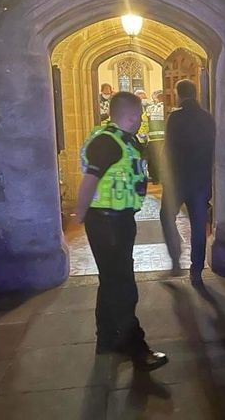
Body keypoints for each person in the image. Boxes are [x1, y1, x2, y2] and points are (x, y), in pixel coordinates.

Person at [75, 91, 169, 371]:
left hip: (116, 219)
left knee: (111, 281)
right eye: (138, 115)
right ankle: (136, 347)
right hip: (108, 221)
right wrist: (80, 213)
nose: (140, 120)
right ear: (128, 115)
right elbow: (90, 180)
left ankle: (107, 339)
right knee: (123, 286)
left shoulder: (121, 140)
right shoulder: (108, 142)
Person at [160, 79, 215, 286]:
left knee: (166, 217)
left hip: (177, 180)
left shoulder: (175, 118)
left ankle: (176, 258)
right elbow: (212, 150)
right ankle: (196, 270)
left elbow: (169, 149)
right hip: (200, 180)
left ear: (179, 94)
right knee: (199, 225)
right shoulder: (208, 118)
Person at [146, 90, 166, 183]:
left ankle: (155, 179)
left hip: (152, 137)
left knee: (153, 160)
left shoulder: (150, 108)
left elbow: (146, 121)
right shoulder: (166, 108)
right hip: (164, 137)